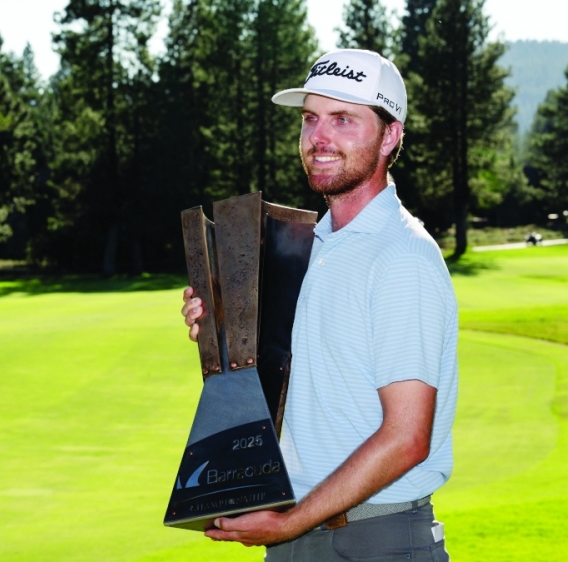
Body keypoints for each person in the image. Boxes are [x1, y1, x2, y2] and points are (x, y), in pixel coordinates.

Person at [181, 49, 458, 561]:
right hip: (296, 537)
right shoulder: (311, 248)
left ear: (390, 136)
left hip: (376, 541)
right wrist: (223, 337)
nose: (318, 138)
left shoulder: (402, 256)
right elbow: (303, 381)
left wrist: (290, 522)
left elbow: (407, 438)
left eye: (343, 120)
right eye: (310, 118)